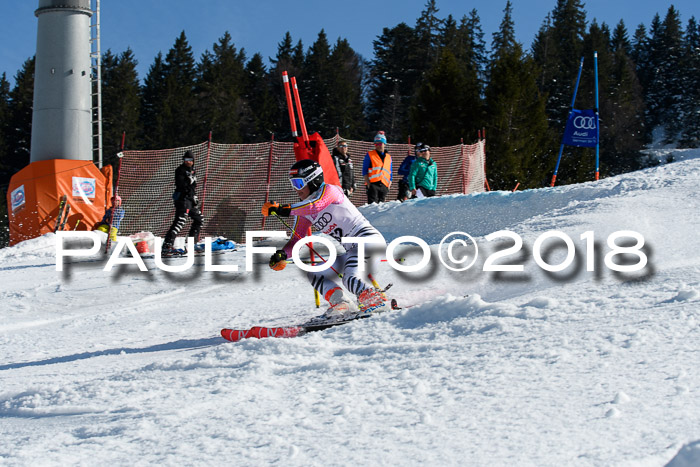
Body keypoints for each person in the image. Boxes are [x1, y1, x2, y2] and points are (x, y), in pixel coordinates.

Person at [261, 159, 390, 318]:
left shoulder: (330, 190)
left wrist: (282, 209)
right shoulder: (303, 209)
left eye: (299, 183)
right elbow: (296, 241)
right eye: (293, 184)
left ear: (313, 180)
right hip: (352, 250)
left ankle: (373, 297)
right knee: (315, 272)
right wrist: (282, 255)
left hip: (369, 241)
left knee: (349, 278)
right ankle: (341, 303)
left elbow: (316, 205)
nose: (296, 189)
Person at [162, 150, 204, 254]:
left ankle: (191, 244)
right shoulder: (180, 170)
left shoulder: (193, 170)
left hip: (190, 199)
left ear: (193, 161)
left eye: (190, 160)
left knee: (199, 219)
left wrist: (194, 196)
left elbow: (193, 186)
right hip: (182, 199)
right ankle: (167, 245)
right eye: (186, 160)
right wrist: (188, 183)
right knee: (180, 221)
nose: (188, 162)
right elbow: (181, 185)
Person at [362, 131, 392, 204]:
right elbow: (364, 171)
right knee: (372, 206)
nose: (378, 145)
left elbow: (390, 173)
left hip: (384, 185)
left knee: (382, 207)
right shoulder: (370, 154)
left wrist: (388, 185)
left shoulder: (388, 157)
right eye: (376, 144)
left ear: (384, 144)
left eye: (380, 143)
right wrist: (369, 184)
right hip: (373, 184)